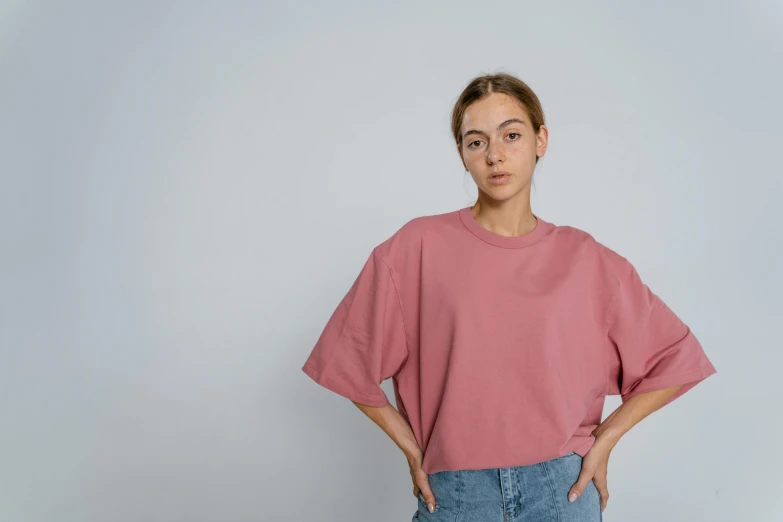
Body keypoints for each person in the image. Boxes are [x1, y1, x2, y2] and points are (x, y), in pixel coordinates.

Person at [301, 72, 717, 521]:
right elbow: (347, 359)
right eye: (476, 142)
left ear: (541, 140)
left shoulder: (586, 258)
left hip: (562, 490)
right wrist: (411, 448)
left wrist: (607, 438)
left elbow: (675, 358)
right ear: (462, 155)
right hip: (456, 494)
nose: (495, 155)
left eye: (511, 135)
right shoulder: (416, 247)